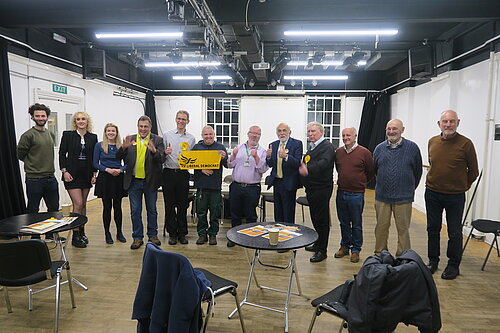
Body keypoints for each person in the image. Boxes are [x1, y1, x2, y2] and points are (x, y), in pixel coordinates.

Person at [425, 110, 479, 280]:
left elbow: (474, 171)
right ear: (439, 123)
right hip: (432, 193)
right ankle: (432, 261)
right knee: (433, 229)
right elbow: (433, 163)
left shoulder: (466, 144)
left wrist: (462, 185)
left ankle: (453, 264)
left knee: (454, 232)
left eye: (451, 121)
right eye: (445, 121)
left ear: (458, 122)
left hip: (455, 196)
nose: (448, 124)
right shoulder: (432, 142)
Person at [373, 119, 422, 257]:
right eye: (389, 129)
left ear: (402, 129)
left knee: (403, 229)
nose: (391, 132)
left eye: (395, 129)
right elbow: (376, 169)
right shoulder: (379, 148)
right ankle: (380, 253)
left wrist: (409, 188)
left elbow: (417, 172)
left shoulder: (412, 148)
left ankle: (403, 254)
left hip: (404, 197)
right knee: (381, 227)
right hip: (382, 196)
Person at [117, 115, 165, 250]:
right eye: (141, 126)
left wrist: (155, 151)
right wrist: (123, 148)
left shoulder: (158, 140)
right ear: (137, 126)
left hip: (150, 181)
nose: (143, 129)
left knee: (152, 210)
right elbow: (118, 157)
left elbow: (162, 159)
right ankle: (137, 238)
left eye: (146, 127)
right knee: (135, 211)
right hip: (134, 182)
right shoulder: (130, 140)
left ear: (150, 127)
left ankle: (152, 235)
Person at [17, 103, 59, 239]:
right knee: (33, 210)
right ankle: (35, 238)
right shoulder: (28, 135)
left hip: (50, 178)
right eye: (37, 116)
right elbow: (20, 154)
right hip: (34, 179)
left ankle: (50, 235)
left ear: (47, 117)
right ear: (32, 117)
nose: (40, 118)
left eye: (43, 115)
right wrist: (33, 165)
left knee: (53, 209)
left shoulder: (50, 134)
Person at [334, 127, 375, 263]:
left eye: (348, 135)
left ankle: (356, 249)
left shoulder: (364, 153)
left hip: (356, 194)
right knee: (343, 222)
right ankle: (344, 246)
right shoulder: (339, 152)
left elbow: (370, 172)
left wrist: (360, 183)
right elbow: (339, 169)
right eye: (344, 135)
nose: (346, 138)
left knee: (356, 223)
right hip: (341, 192)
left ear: (355, 136)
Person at [59, 111, 98, 248]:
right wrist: (64, 171)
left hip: (86, 174)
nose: (81, 121)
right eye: (78, 119)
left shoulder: (92, 137)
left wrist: (94, 174)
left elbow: (94, 156)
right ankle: (75, 236)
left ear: (87, 121)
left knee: (83, 204)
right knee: (78, 203)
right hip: (72, 174)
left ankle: (82, 232)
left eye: (83, 119)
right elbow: (62, 153)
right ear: (74, 122)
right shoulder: (68, 135)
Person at [299, 122, 335, 262]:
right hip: (312, 188)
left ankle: (322, 251)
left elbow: (324, 163)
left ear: (321, 132)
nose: (310, 134)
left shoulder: (327, 146)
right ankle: (318, 243)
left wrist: (308, 169)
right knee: (315, 217)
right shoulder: (313, 147)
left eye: (313, 131)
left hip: (322, 189)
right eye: (308, 131)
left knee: (322, 220)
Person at [226, 125, 269, 247]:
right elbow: (230, 164)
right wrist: (233, 155)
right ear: (248, 134)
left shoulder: (262, 152)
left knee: (250, 214)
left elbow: (262, 169)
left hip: (252, 187)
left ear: (260, 136)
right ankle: (233, 237)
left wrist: (255, 157)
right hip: (236, 186)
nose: (255, 136)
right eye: (253, 133)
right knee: (235, 213)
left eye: (258, 134)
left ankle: (250, 238)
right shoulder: (238, 148)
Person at [162, 110, 196, 246]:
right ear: (176, 120)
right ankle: (172, 234)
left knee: (182, 205)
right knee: (169, 205)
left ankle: (182, 233)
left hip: (183, 174)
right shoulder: (167, 135)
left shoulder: (191, 139)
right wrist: (165, 152)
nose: (181, 121)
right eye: (179, 118)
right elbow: (160, 156)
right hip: (169, 173)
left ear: (188, 121)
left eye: (184, 119)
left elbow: (194, 157)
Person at [192, 126, 228, 245]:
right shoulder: (197, 148)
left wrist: (224, 157)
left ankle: (213, 234)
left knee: (214, 212)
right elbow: (189, 163)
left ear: (214, 135)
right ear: (202, 135)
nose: (208, 136)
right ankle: (202, 234)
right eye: (206, 134)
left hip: (215, 186)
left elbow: (226, 164)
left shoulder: (220, 147)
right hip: (201, 185)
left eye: (210, 134)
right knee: (201, 212)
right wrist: (201, 168)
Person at [93, 123, 128, 244]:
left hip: (118, 177)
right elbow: (95, 163)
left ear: (116, 133)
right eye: (108, 131)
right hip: (105, 178)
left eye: (113, 131)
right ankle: (107, 233)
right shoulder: (99, 145)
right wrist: (106, 169)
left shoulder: (121, 147)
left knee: (118, 207)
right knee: (106, 207)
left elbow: (127, 163)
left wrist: (120, 170)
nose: (111, 133)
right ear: (105, 132)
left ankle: (119, 232)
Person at [265, 123, 303, 223]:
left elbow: (297, 163)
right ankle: (278, 234)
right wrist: (268, 157)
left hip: (289, 183)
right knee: (278, 211)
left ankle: (289, 234)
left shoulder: (297, 144)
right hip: (277, 182)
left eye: (284, 130)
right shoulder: (273, 144)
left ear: (289, 132)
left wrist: (286, 157)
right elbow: (270, 164)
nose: (282, 133)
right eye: (279, 131)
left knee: (288, 212)